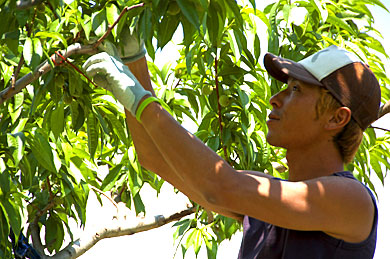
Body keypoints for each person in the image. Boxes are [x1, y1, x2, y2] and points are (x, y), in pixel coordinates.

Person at [82, 37, 380, 258]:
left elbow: (219, 185)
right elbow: (154, 158)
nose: (275, 99)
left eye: (295, 90)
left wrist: (141, 100)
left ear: (336, 117)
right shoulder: (266, 197)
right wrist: (134, 58)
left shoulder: (352, 201)